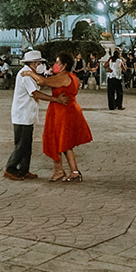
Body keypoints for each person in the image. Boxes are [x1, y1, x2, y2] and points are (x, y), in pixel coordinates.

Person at [24, 53, 93, 182]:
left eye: (57, 63)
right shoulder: (71, 76)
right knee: (65, 142)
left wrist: (29, 73)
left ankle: (61, 171)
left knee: (57, 140)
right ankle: (72, 171)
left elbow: (42, 81)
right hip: (67, 110)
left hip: (62, 111)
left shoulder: (63, 77)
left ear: (64, 65)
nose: (54, 65)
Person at [4, 50, 70, 181]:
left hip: (27, 114)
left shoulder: (31, 74)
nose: (40, 65)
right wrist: (55, 99)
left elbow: (42, 82)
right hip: (22, 114)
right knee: (22, 144)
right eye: (39, 63)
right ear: (33, 64)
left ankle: (23, 170)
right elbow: (35, 93)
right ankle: (10, 168)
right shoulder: (26, 75)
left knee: (27, 144)